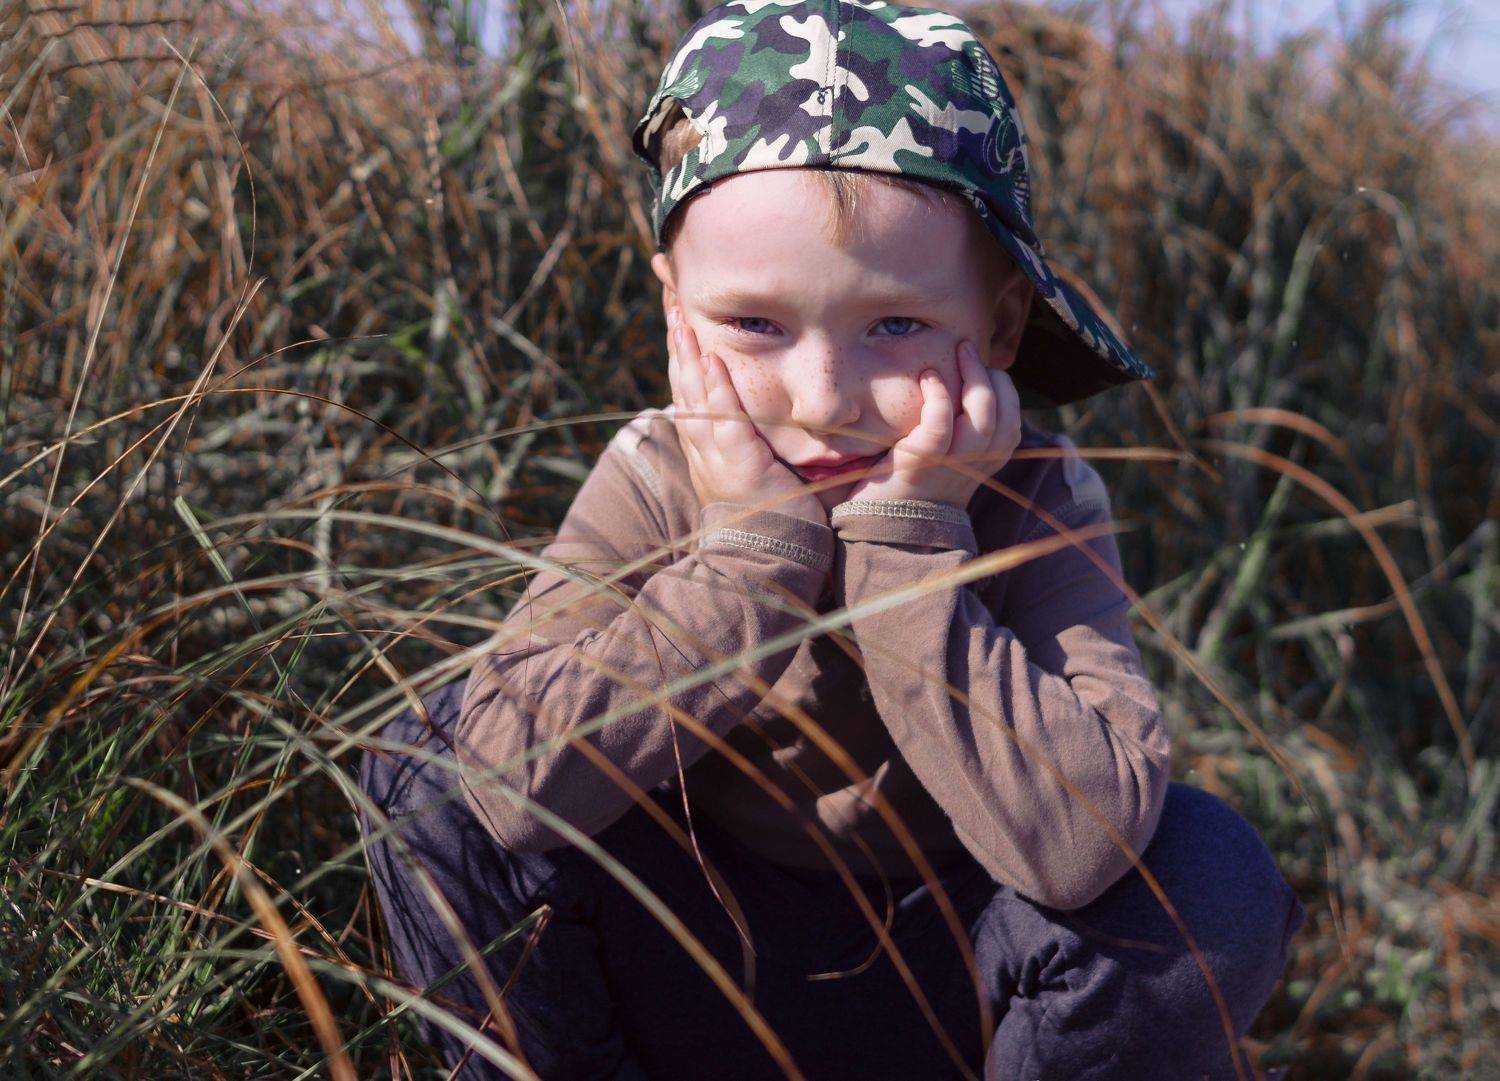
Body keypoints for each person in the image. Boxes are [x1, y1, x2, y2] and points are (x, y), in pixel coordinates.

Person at [357, 2, 1306, 1077]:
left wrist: (913, 551)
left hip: (960, 987)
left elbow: (1081, 848)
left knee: (1208, 882)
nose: (823, 400)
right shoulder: (658, 471)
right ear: (677, 314)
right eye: (754, 324)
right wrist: (749, 554)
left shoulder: (1036, 495)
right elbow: (508, 787)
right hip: (695, 964)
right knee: (424, 772)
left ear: (999, 324)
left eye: (895, 325)